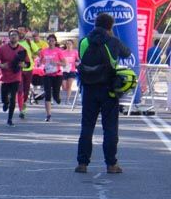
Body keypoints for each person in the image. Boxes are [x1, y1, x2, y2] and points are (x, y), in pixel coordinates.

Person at [75, 12, 131, 174]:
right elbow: (127, 53)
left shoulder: (84, 41)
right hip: (109, 90)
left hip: (89, 89)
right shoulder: (113, 41)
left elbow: (81, 57)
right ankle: (111, 164)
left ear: (95, 24)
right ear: (110, 26)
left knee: (87, 127)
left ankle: (82, 163)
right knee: (110, 128)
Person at [0, 29, 27, 127]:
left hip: (16, 77)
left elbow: (27, 63)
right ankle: (5, 102)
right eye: (11, 35)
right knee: (4, 98)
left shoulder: (22, 49)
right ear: (9, 37)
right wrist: (1, 66)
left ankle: (10, 119)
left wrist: (23, 64)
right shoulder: (2, 49)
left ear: (18, 37)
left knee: (13, 99)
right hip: (4, 77)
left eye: (15, 35)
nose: (13, 37)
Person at [38, 34, 64, 122]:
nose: (51, 42)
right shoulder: (43, 51)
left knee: (56, 94)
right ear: (47, 41)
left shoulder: (59, 51)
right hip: (46, 75)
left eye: (53, 40)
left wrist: (56, 63)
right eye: (49, 40)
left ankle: (57, 97)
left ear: (55, 42)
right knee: (47, 94)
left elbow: (64, 63)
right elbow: (39, 63)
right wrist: (41, 62)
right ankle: (48, 115)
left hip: (57, 75)